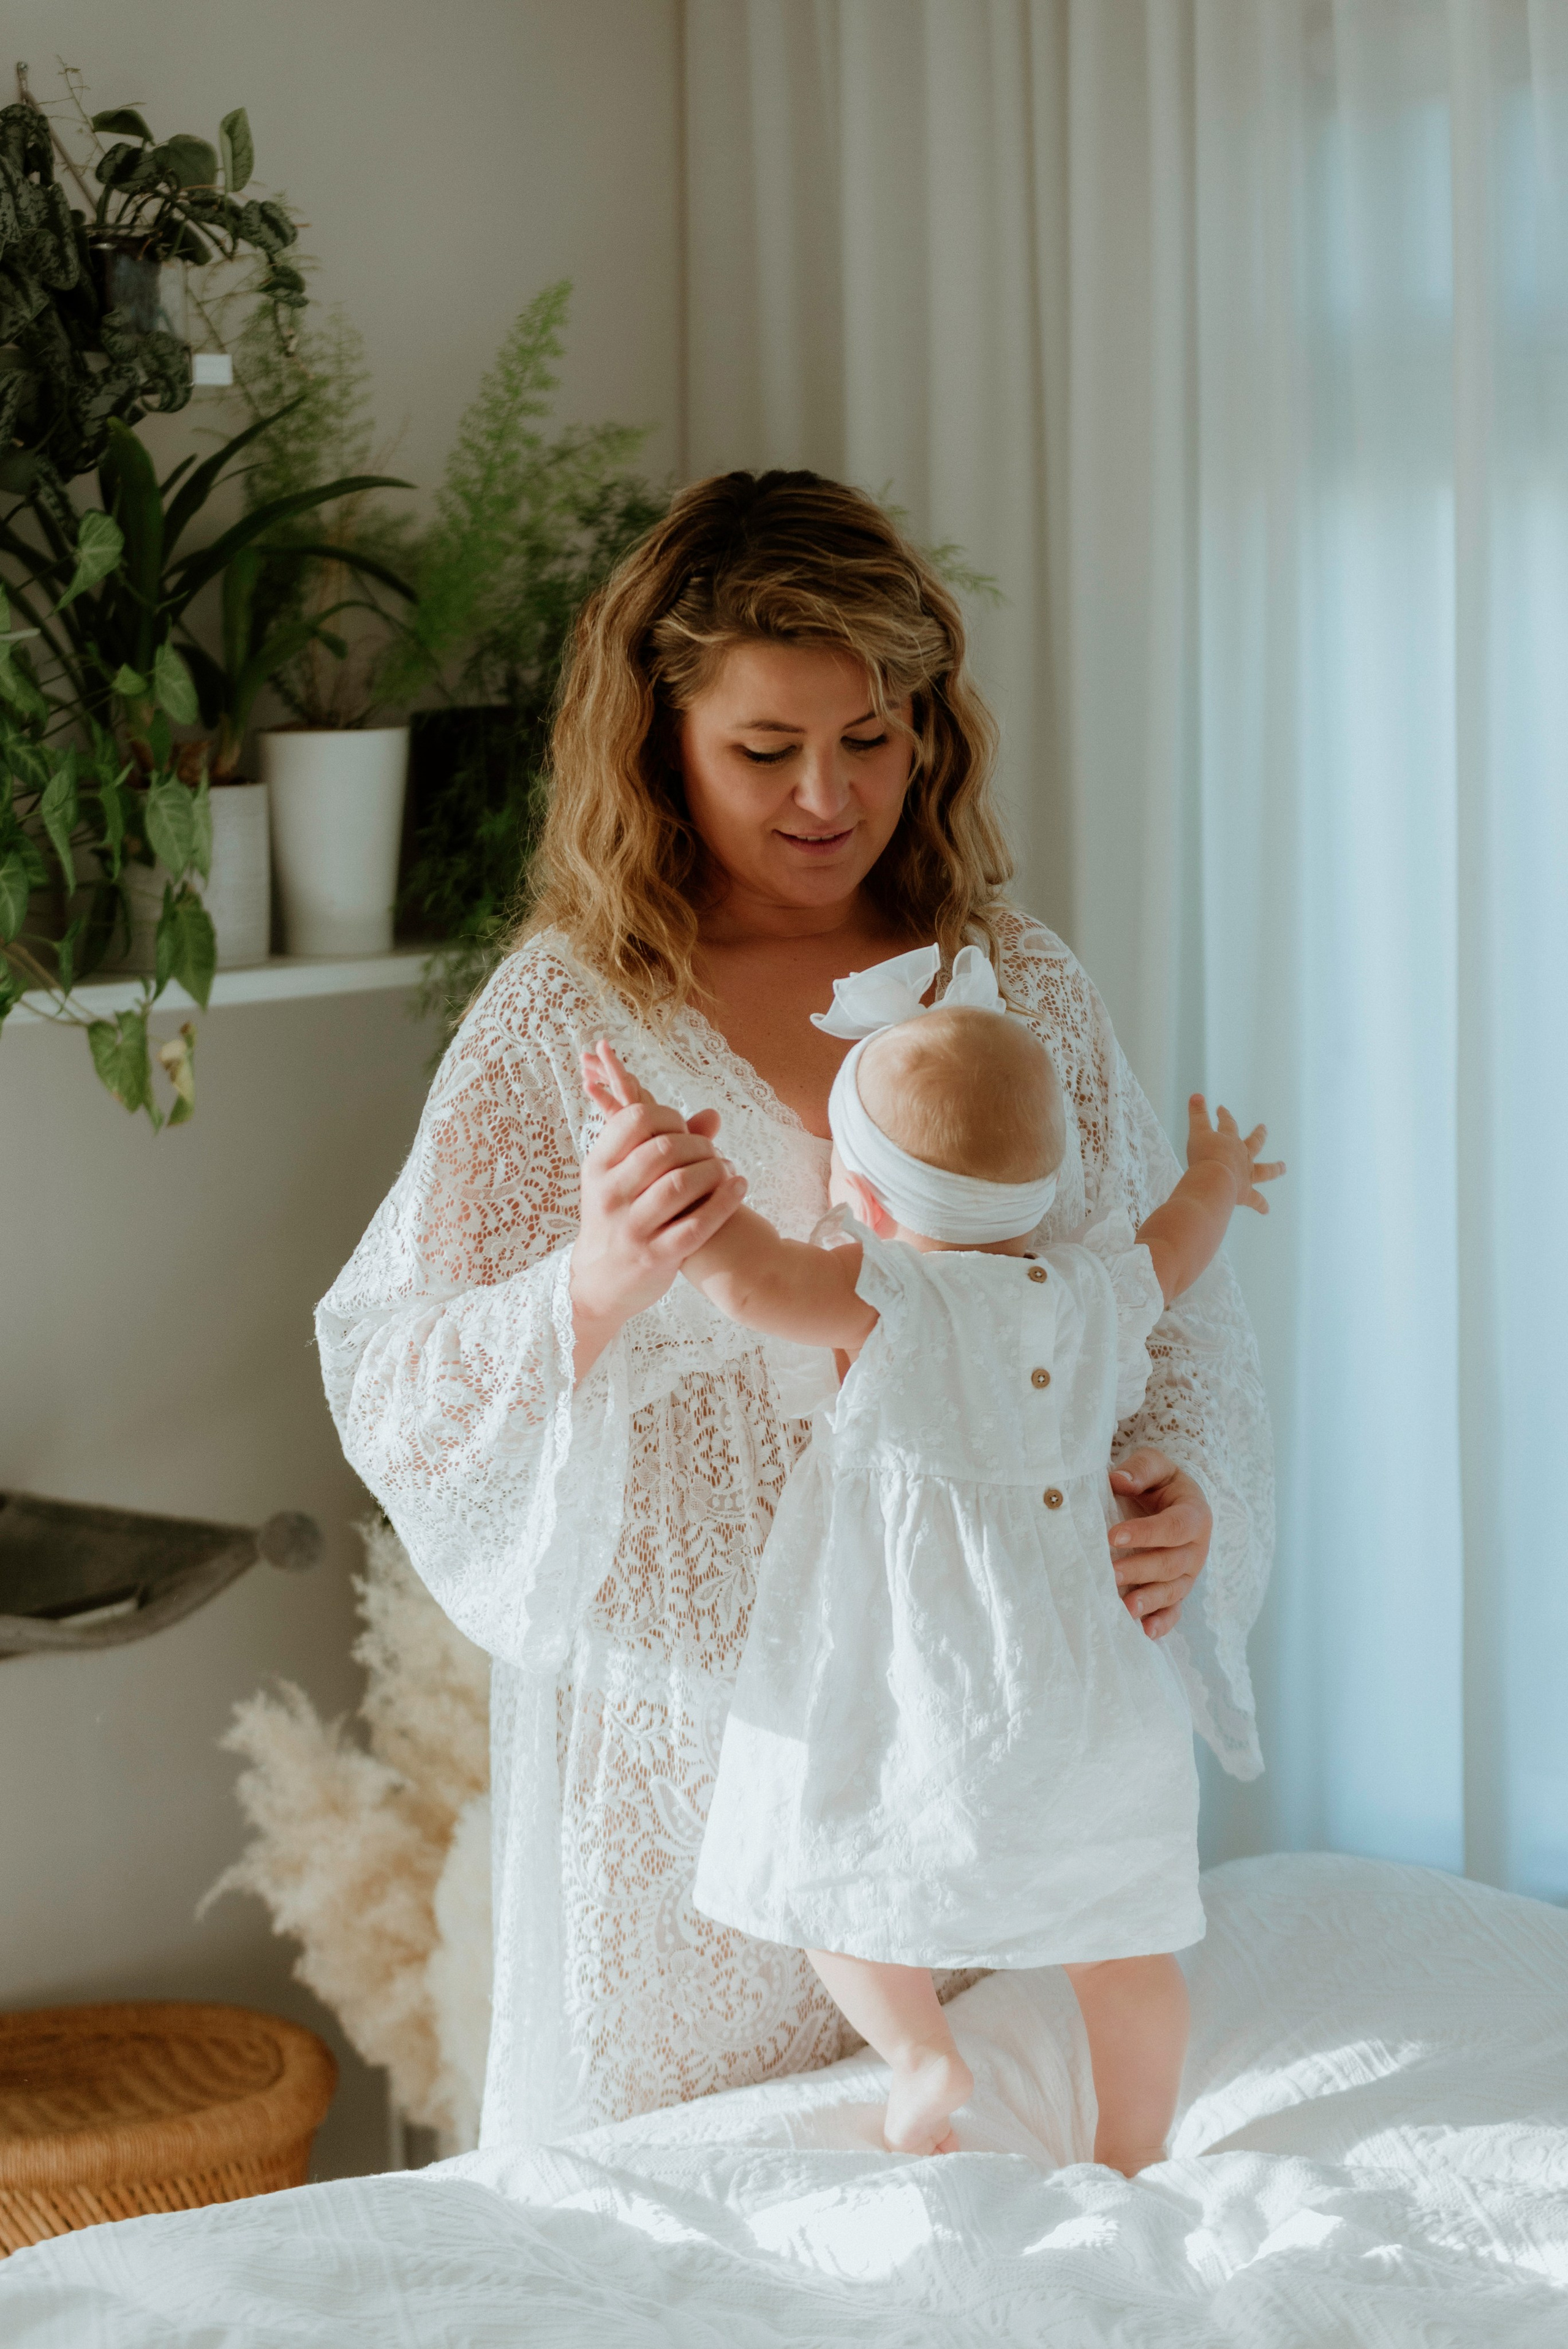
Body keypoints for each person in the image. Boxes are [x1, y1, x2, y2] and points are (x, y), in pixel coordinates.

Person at [317, 470, 1273, 2152]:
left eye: (876, 737)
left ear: (932, 730)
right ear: (659, 741)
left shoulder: (1017, 983)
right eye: (769, 749)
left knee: (1006, 2241)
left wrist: (1182, 1502)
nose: (831, 795)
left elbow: (1156, 1318)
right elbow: (392, 1374)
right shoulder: (565, 1016)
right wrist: (597, 1276)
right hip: (693, 1784)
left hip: (988, 1753)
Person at [580, 950, 1281, 2170]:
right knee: (1123, 1942)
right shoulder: (1093, 1290)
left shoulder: (885, 1296)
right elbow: (1180, 1239)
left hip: (931, 1679)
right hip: (1086, 1682)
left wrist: (659, 1154)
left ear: (862, 1192)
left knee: (826, 1878)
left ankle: (919, 2056)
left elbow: (744, 1278)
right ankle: (1131, 2156)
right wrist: (1217, 1171)